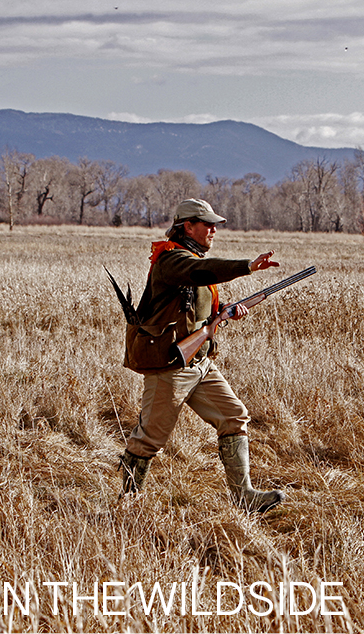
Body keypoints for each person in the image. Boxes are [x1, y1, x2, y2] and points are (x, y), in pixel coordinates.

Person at [118, 198, 284, 512]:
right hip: (171, 364)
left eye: (213, 224)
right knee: (149, 439)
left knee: (234, 417)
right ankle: (127, 503)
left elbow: (194, 307)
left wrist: (223, 313)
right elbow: (200, 271)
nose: (213, 230)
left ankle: (244, 497)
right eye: (206, 223)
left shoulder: (189, 257)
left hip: (200, 363)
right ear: (187, 226)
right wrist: (247, 266)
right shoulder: (171, 260)